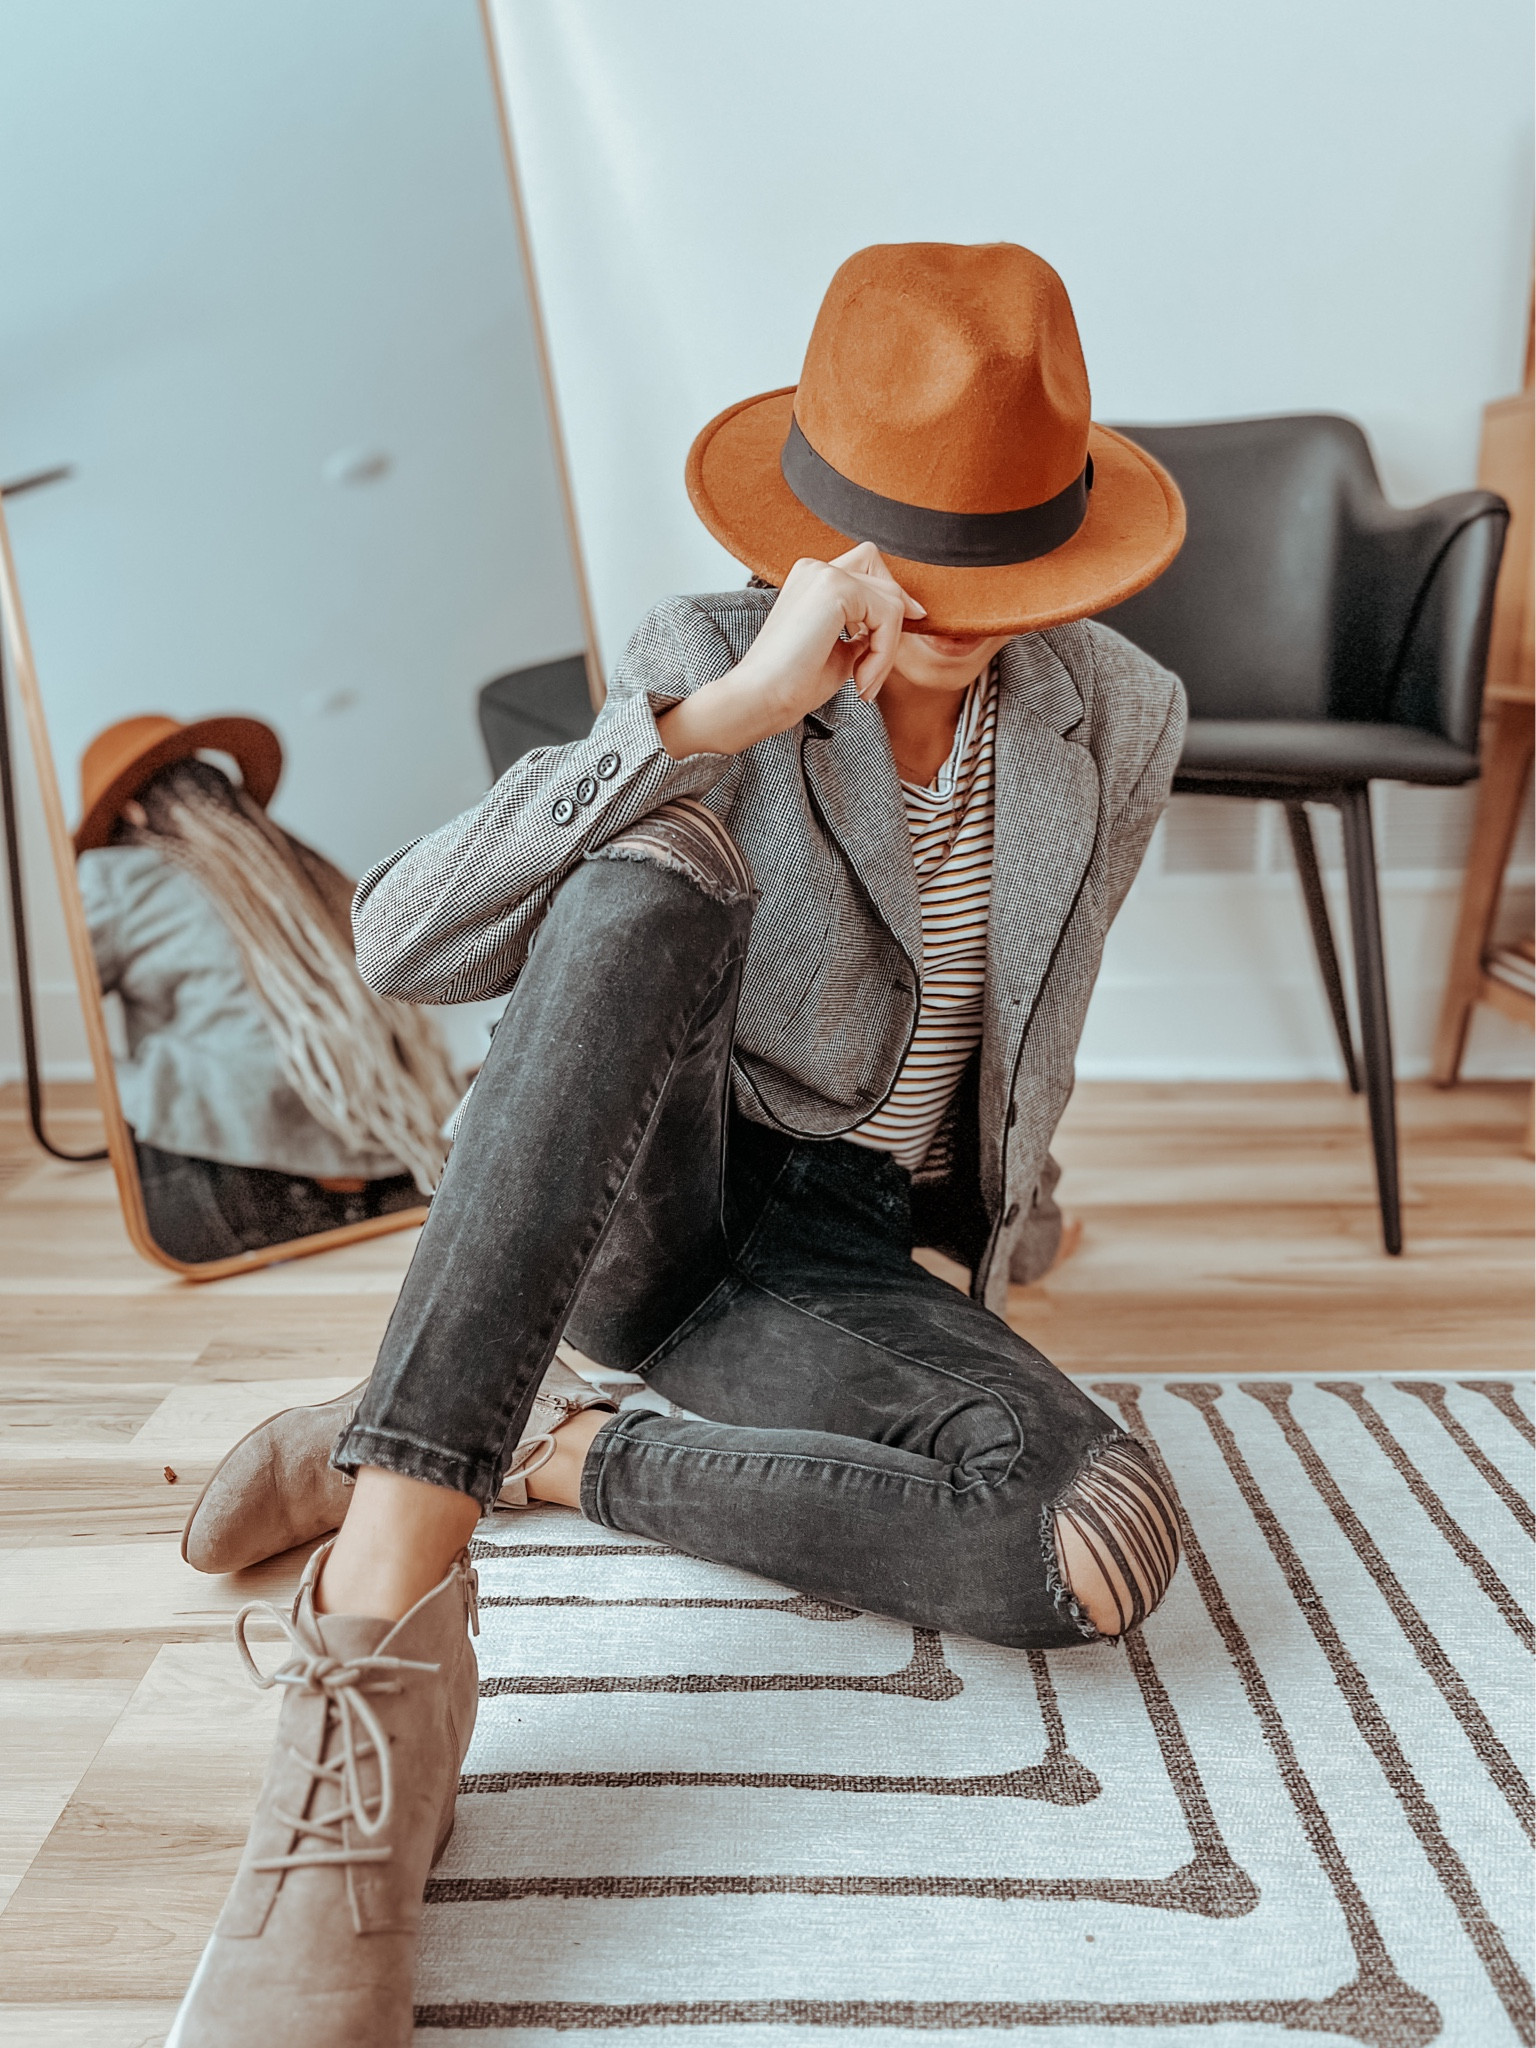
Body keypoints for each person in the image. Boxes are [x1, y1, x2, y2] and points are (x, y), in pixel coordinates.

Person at [168, 242, 1189, 2046]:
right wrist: (726, 719)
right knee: (648, 878)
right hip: (645, 1178)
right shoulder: (706, 655)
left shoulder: (1119, 714)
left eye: (998, 550)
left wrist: (1014, 1232)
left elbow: (1039, 1019)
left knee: (1092, 1533)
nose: (958, 596)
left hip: (839, 1248)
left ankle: (523, 1445)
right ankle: (381, 1630)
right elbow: (400, 941)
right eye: (924, 540)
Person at [75, 715, 459, 1261]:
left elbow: (64, 1011)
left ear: (133, 812)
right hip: (394, 1173)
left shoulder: (116, 876)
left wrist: (133, 1091)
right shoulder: (307, 871)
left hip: (229, 1176)